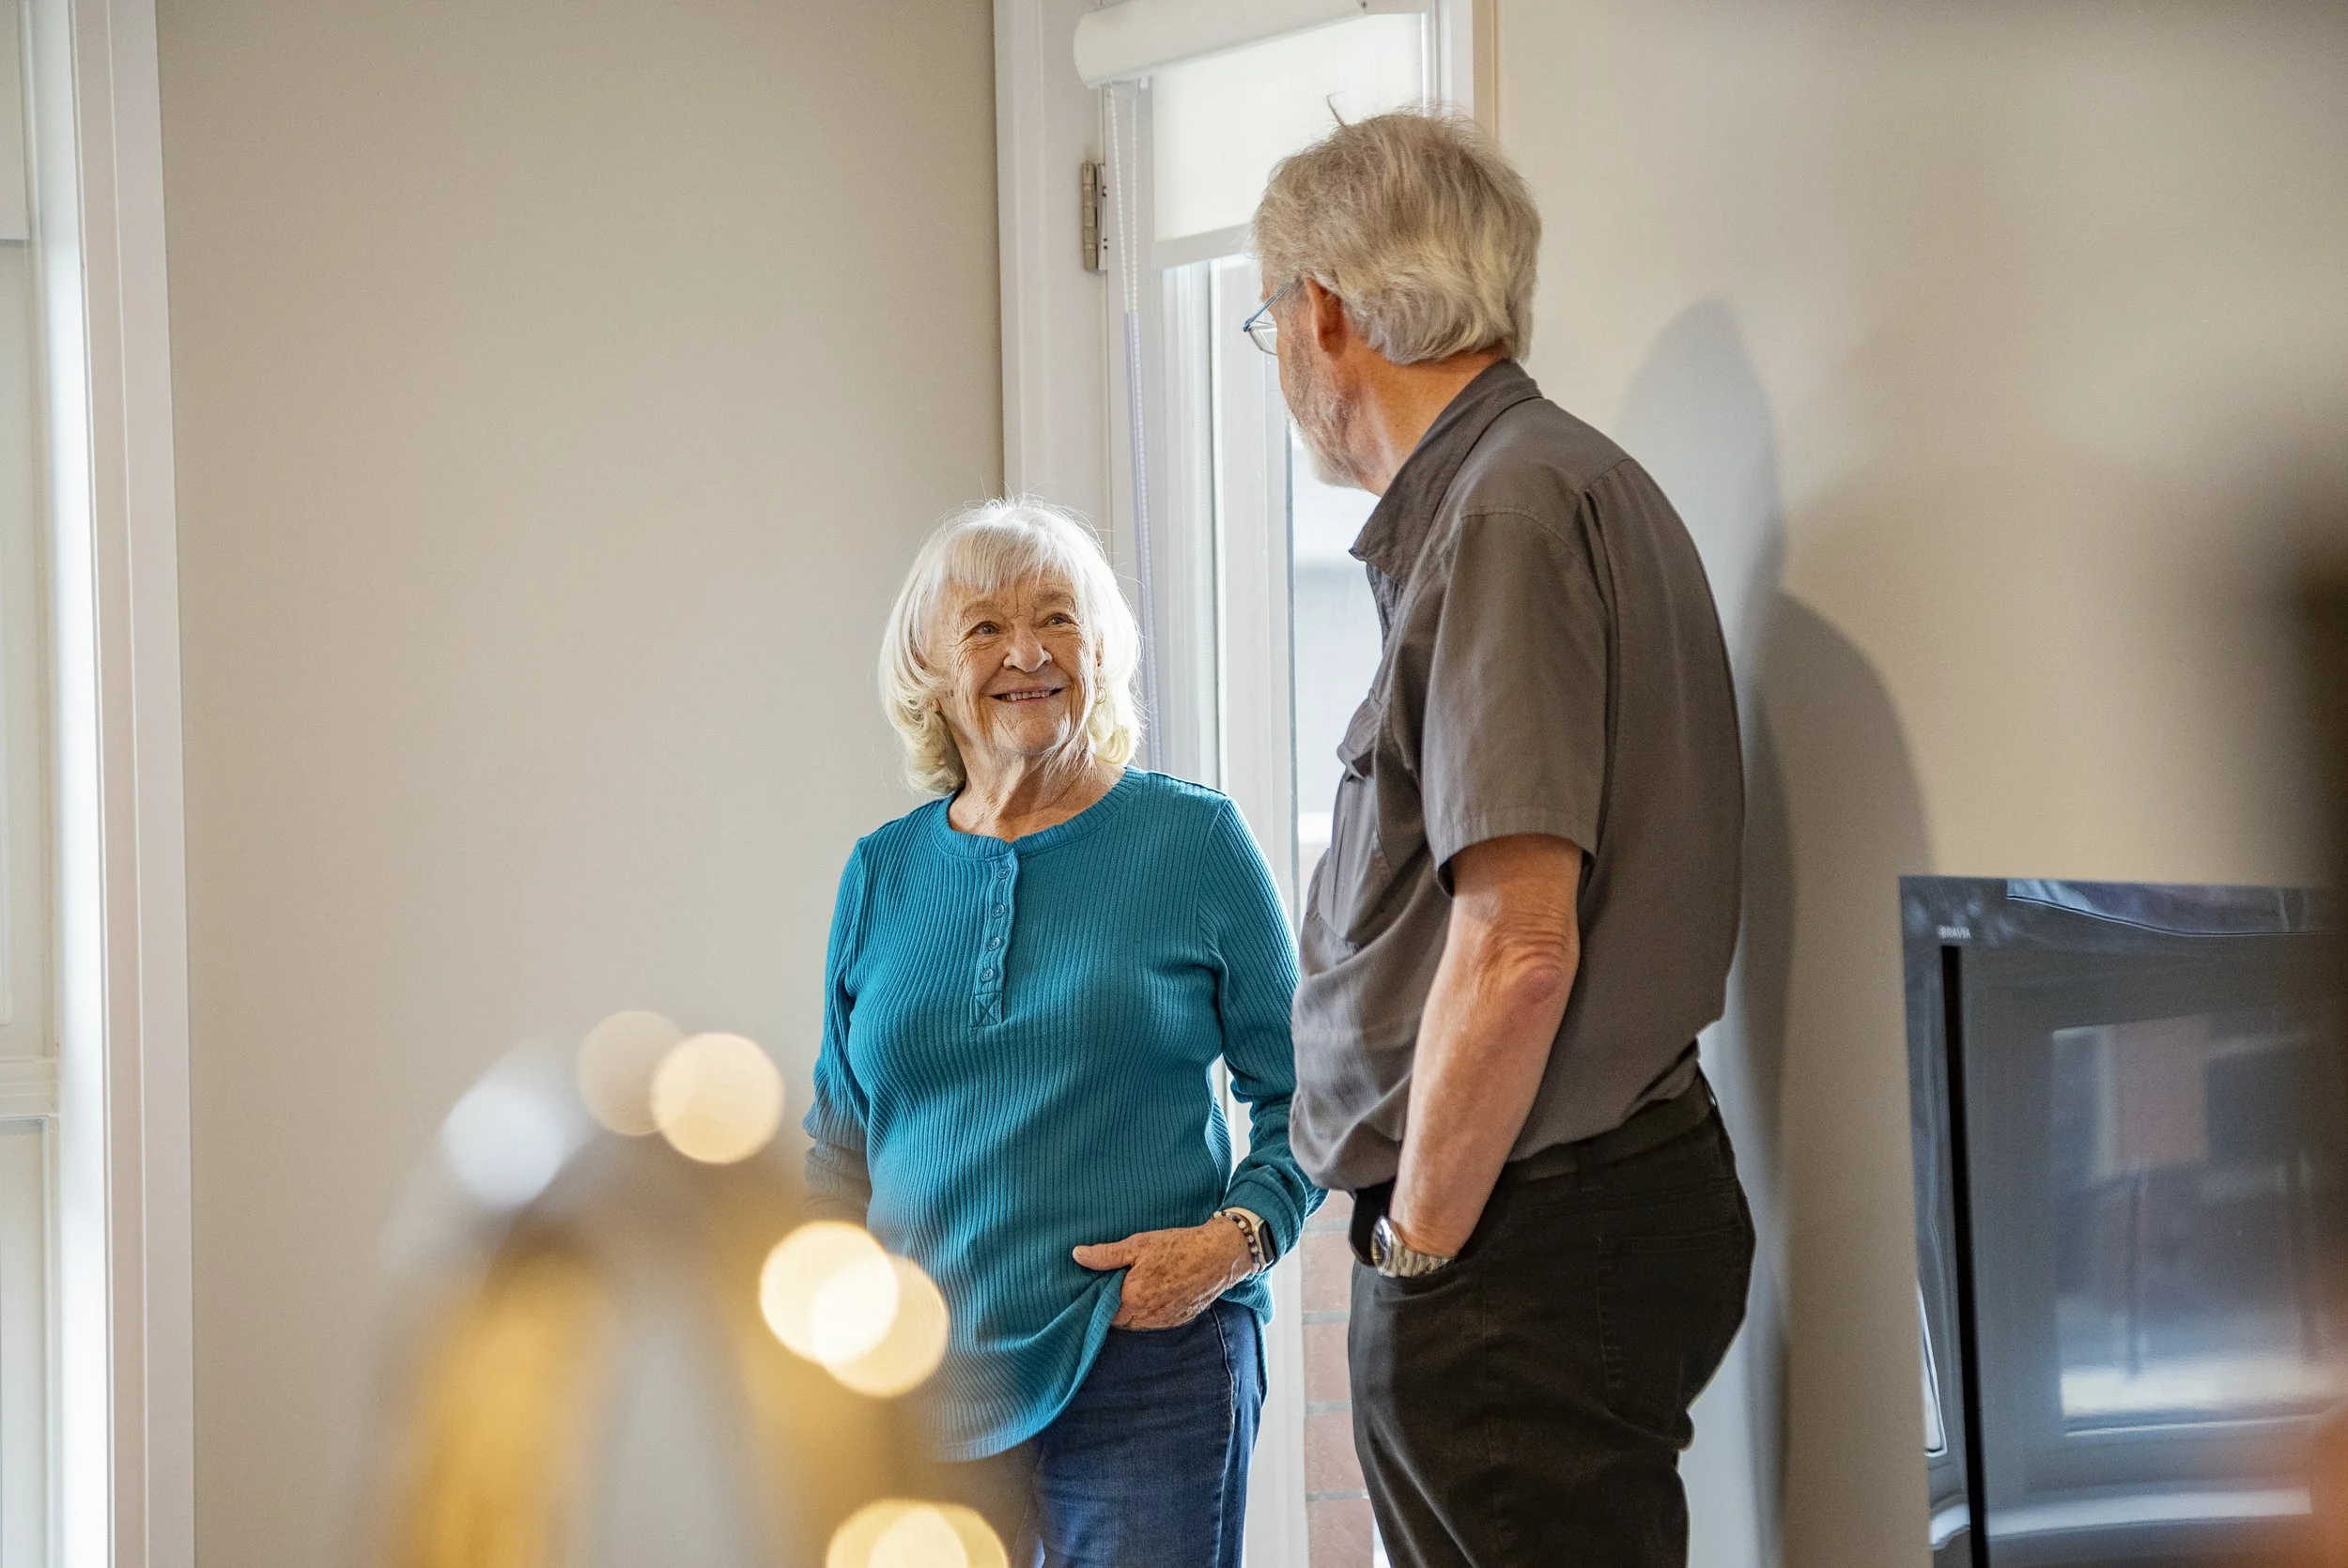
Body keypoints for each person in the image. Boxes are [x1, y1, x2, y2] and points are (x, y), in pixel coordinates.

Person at [1251, 111, 1753, 1566]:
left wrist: (1415, 1243)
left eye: (1274, 317)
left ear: (1326, 314)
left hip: (1523, 1239)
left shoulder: (1506, 513)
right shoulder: (1543, 481)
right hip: (1557, 1215)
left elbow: (1521, 942)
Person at [801, 499, 1319, 1568]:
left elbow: (1314, 1093)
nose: (1026, 651)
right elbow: (837, 1150)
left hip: (1147, 1362)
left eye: (1058, 619)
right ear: (931, 671)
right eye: (984, 626)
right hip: (923, 1386)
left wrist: (1231, 1244)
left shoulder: (1193, 839)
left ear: (1102, 652)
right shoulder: (882, 873)